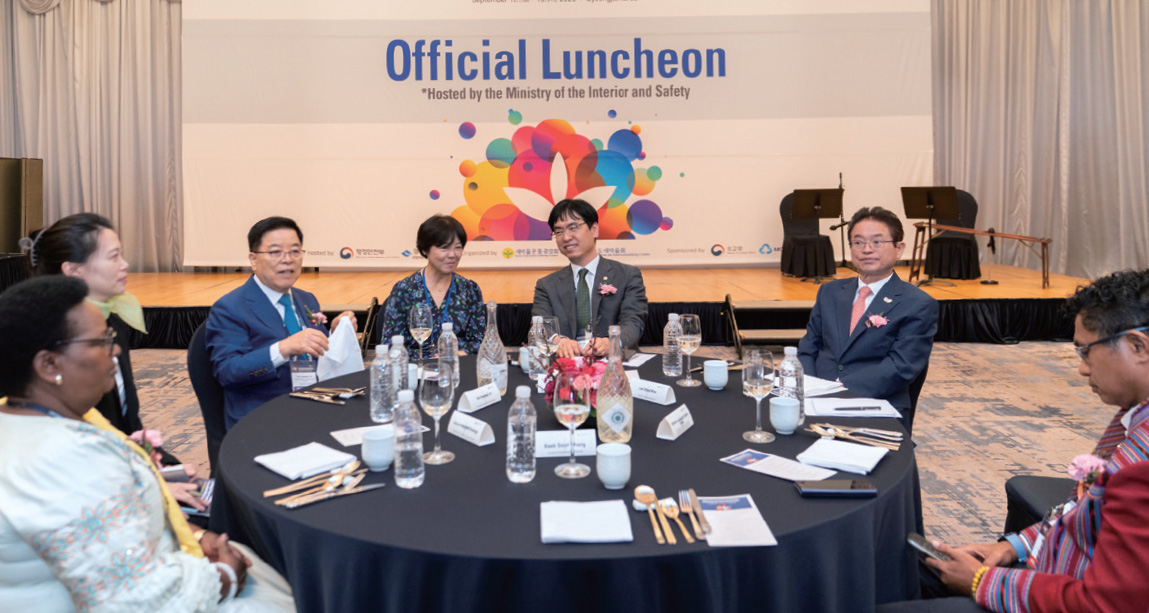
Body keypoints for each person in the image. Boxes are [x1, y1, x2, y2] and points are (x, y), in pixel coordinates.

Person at [0, 276, 294, 611]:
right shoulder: (66, 458)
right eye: (101, 341)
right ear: (48, 364)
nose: (115, 350)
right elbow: (139, 600)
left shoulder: (20, 416)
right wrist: (226, 574)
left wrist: (196, 536)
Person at [886, 269, 1149, 612]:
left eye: (1085, 352)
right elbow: (1080, 512)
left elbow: (1105, 604)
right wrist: (1012, 547)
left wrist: (981, 581)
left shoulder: (1140, 468)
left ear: (1138, 346)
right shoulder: (1133, 415)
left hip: (1063, 594)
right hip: (1053, 567)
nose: (1082, 369)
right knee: (906, 564)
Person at [21, 213, 206, 514]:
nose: (125, 264)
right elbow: (66, 454)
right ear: (73, 270)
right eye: (113, 256)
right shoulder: (56, 344)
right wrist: (151, 486)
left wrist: (163, 467)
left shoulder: (113, 321)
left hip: (125, 465)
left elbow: (126, 421)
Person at [206, 217, 355, 429]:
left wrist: (334, 333)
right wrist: (282, 349)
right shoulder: (230, 308)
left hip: (316, 404)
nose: (288, 260)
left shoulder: (306, 299)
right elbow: (228, 371)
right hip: (263, 417)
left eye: (295, 251)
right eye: (276, 252)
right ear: (253, 260)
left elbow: (314, 353)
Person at [797, 206, 938, 427]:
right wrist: (811, 389)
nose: (867, 249)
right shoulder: (829, 292)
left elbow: (901, 367)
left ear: (899, 249)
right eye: (858, 242)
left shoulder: (917, 303)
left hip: (877, 405)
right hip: (814, 400)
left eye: (877, 242)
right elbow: (808, 349)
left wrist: (837, 391)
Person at [532, 199, 648, 358]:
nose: (566, 237)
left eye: (573, 227)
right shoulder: (546, 285)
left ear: (594, 230)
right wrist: (558, 340)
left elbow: (633, 322)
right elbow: (540, 326)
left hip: (614, 362)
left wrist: (611, 342)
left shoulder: (627, 275)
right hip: (566, 364)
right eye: (558, 231)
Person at [379, 214, 485, 357]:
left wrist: (456, 354)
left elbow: (479, 341)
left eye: (458, 247)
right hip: (416, 368)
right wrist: (430, 358)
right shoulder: (405, 290)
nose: (452, 255)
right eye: (444, 248)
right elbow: (391, 345)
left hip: (458, 365)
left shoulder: (469, 289)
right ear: (425, 250)